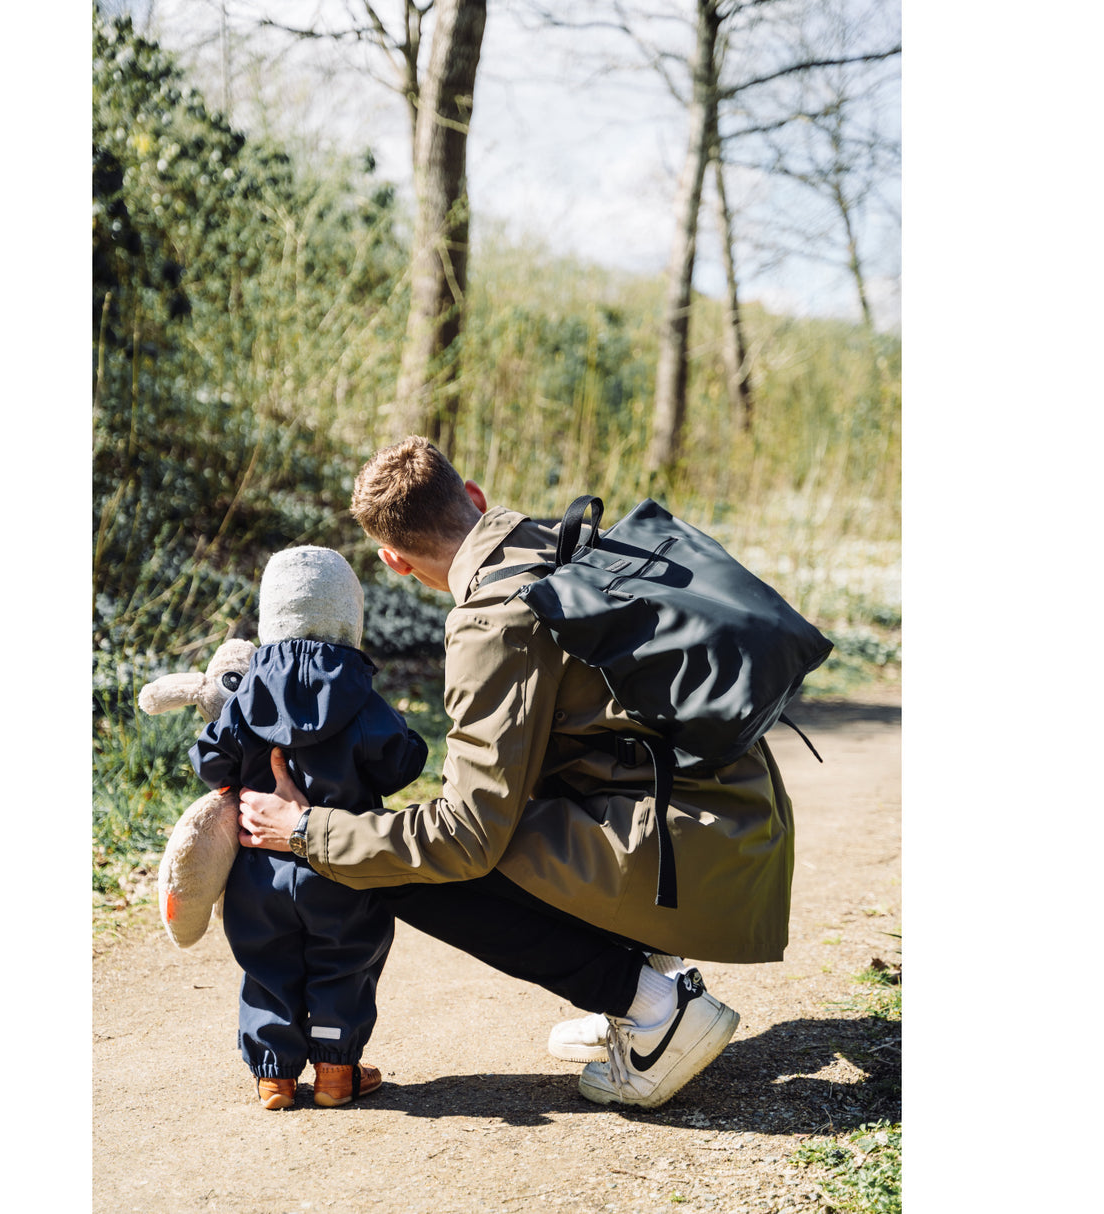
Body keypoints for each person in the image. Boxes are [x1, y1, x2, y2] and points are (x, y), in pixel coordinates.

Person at [235, 437, 795, 1109]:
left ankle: (654, 1010)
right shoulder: (574, 546)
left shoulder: (494, 619)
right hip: (735, 829)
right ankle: (652, 977)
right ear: (473, 495)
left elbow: (466, 836)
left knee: (406, 870)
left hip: (698, 860)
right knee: (515, 789)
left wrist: (309, 831)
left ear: (394, 561)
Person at [191, 545, 427, 1110]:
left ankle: (273, 1077)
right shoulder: (358, 692)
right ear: (350, 617)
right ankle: (334, 1073)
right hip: (337, 859)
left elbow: (210, 762)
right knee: (345, 959)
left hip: (258, 867)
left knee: (266, 962)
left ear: (271, 616)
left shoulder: (247, 691)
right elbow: (402, 762)